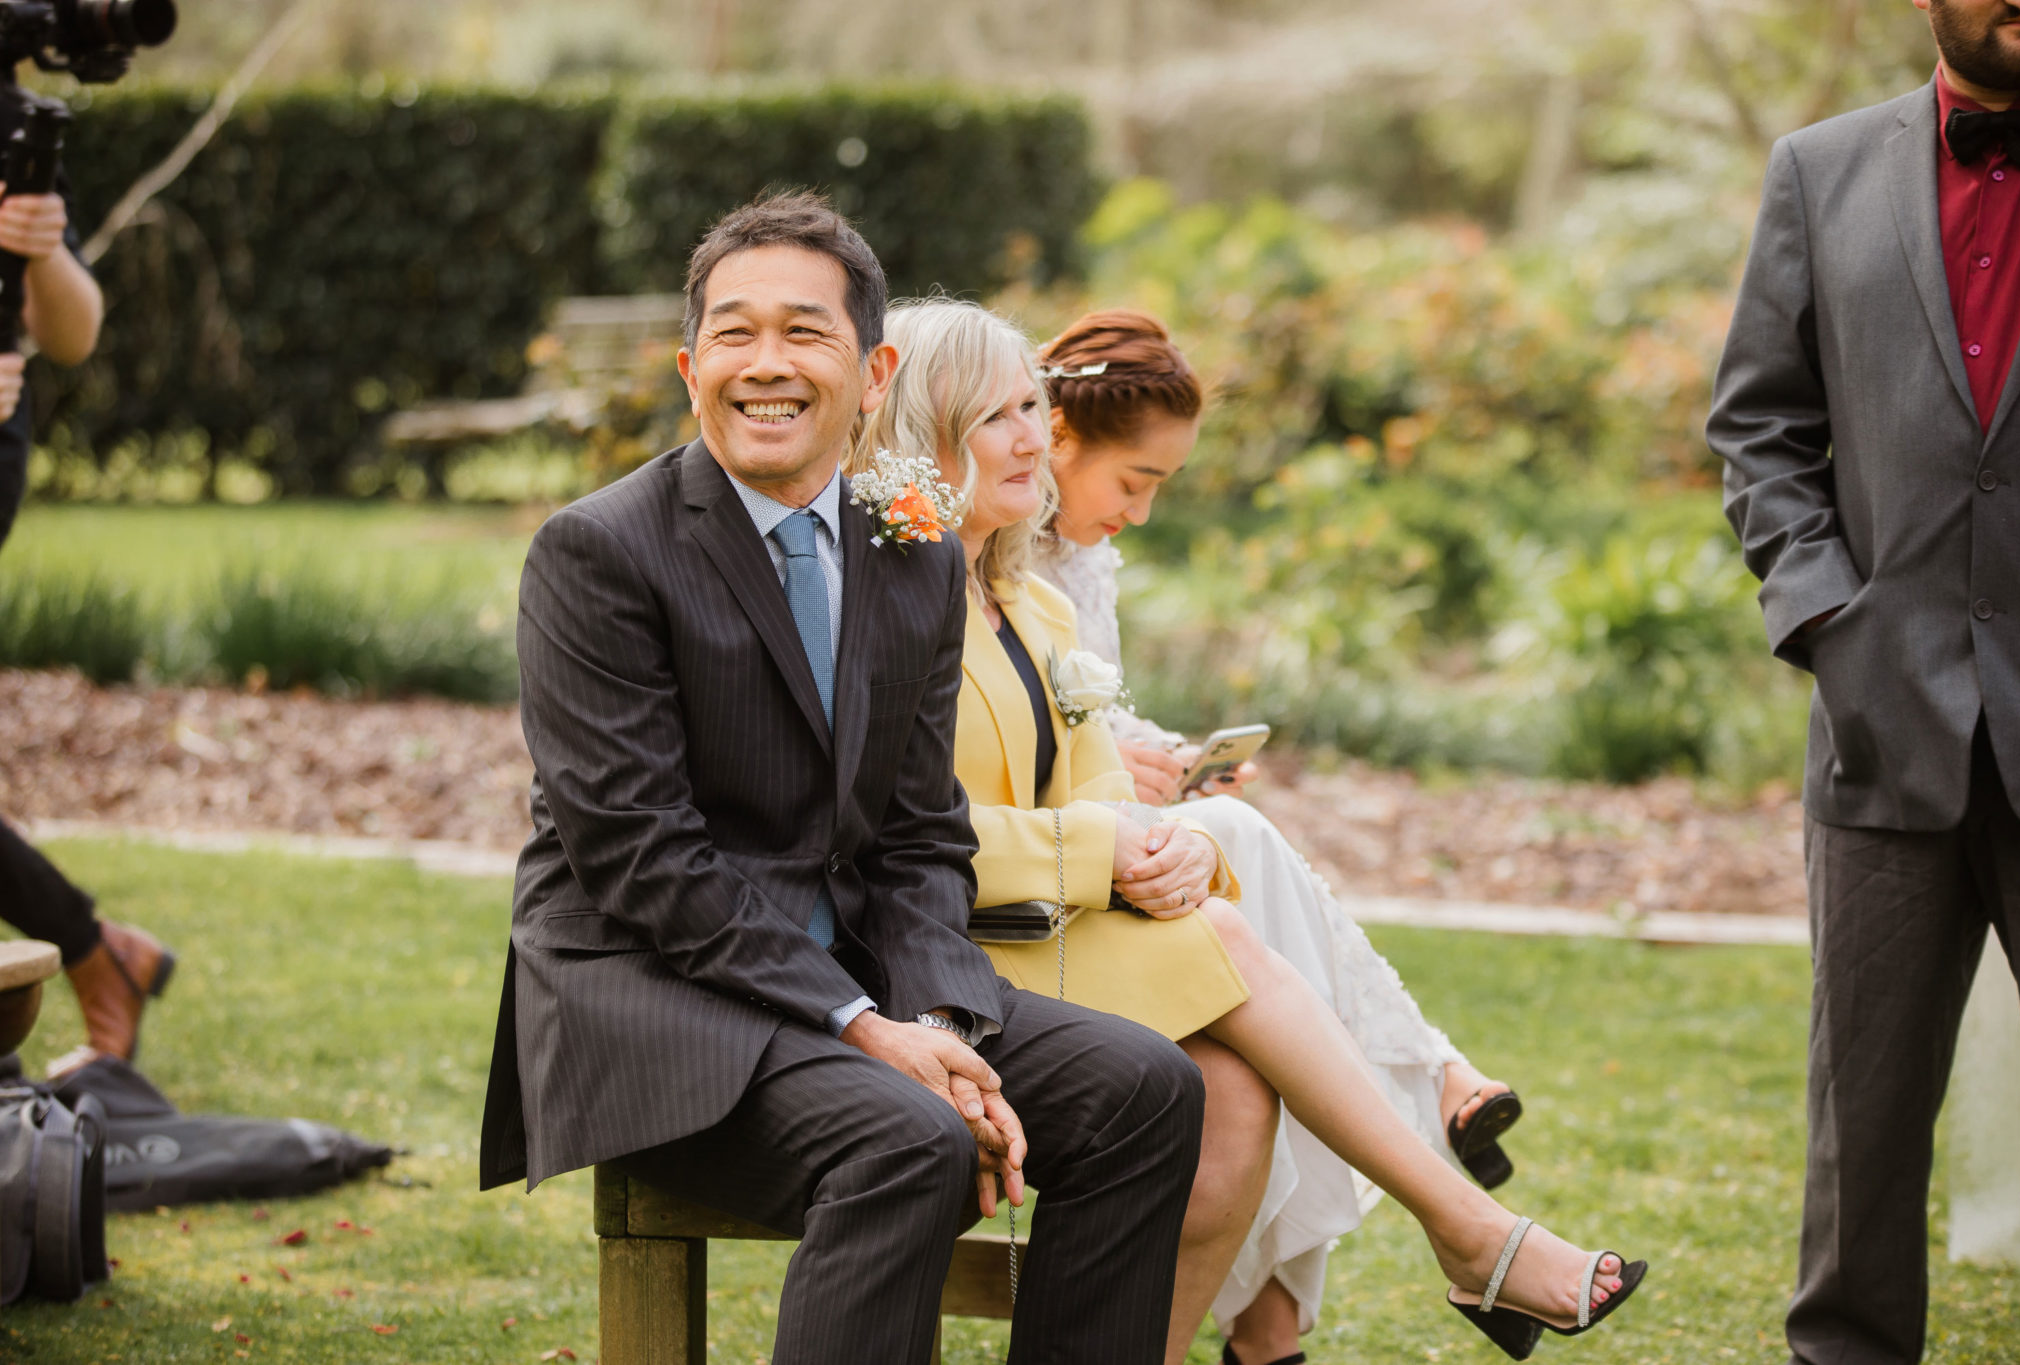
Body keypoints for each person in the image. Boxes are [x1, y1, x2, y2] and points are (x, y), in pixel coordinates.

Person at [477, 192, 1210, 1363]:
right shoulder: (599, 552)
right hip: (658, 1001)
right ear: (687, 365)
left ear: (872, 373)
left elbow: (921, 837)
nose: (764, 365)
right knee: (906, 1139)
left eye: (803, 332)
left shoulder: (912, 549)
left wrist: (934, 1020)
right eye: (733, 333)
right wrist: (865, 1027)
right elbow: (640, 858)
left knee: (1145, 1090)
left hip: (860, 985)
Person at [859, 296, 1647, 1363]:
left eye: (1033, 410)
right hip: (936, 951)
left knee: (1228, 1102)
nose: (1035, 438)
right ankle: (1469, 1233)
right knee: (1232, 939)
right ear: (924, 427)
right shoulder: (870, 606)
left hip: (1046, 929)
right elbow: (890, 835)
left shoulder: (1035, 608)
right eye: (999, 415)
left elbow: (1091, 781)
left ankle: (1276, 1314)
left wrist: (1159, 841)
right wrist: (1106, 850)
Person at [1033, 308, 1520, 1365]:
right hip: (1039, 894)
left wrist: (1157, 753)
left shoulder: (1082, 561)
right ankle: (1420, 1084)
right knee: (1237, 846)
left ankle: (1273, 1318)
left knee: (1247, 909)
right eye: (1133, 482)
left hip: (1113, 848)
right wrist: (1134, 773)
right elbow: (1024, 747)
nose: (1141, 513)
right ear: (1056, 437)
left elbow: (1094, 714)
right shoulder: (970, 553)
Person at [1711, 3, 2020, 1361]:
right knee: (1862, 1142)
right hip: (1877, 729)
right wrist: (1826, 619)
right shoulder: (1818, 169)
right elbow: (1760, 421)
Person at [0, 118, 174, 1067]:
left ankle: (90, 947)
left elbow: (70, 329)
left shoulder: (9, 125)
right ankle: (94, 948)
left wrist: (34, 247)